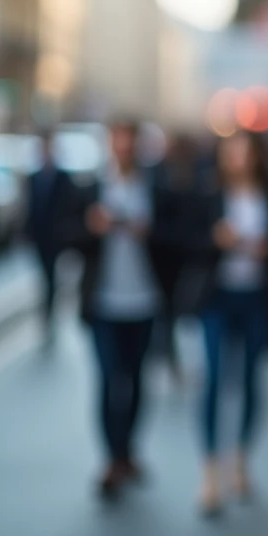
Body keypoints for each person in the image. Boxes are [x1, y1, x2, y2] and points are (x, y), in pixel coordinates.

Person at [66, 119, 160, 500]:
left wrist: (148, 230)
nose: (122, 150)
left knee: (136, 381)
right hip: (102, 303)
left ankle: (127, 451)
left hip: (144, 301)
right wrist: (92, 227)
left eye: (128, 143)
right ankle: (113, 457)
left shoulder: (155, 186)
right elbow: (65, 235)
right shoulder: (90, 187)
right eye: (116, 143)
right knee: (108, 380)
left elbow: (177, 234)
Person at [192, 130, 268, 516]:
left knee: (249, 380)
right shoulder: (209, 196)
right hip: (217, 298)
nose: (238, 160)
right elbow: (186, 241)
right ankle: (210, 471)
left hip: (257, 300)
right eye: (231, 153)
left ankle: (241, 459)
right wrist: (215, 239)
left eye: (244, 152)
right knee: (213, 379)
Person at [148, 132, 204, 382]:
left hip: (188, 257)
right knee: (166, 312)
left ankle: (171, 355)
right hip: (163, 258)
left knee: (179, 311)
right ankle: (167, 354)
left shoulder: (198, 172)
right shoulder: (157, 174)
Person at [26, 129, 74, 347]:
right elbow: (30, 208)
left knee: (51, 279)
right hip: (40, 237)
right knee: (44, 278)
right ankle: (46, 315)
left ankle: (49, 315)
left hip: (57, 238)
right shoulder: (33, 177)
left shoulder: (63, 176)